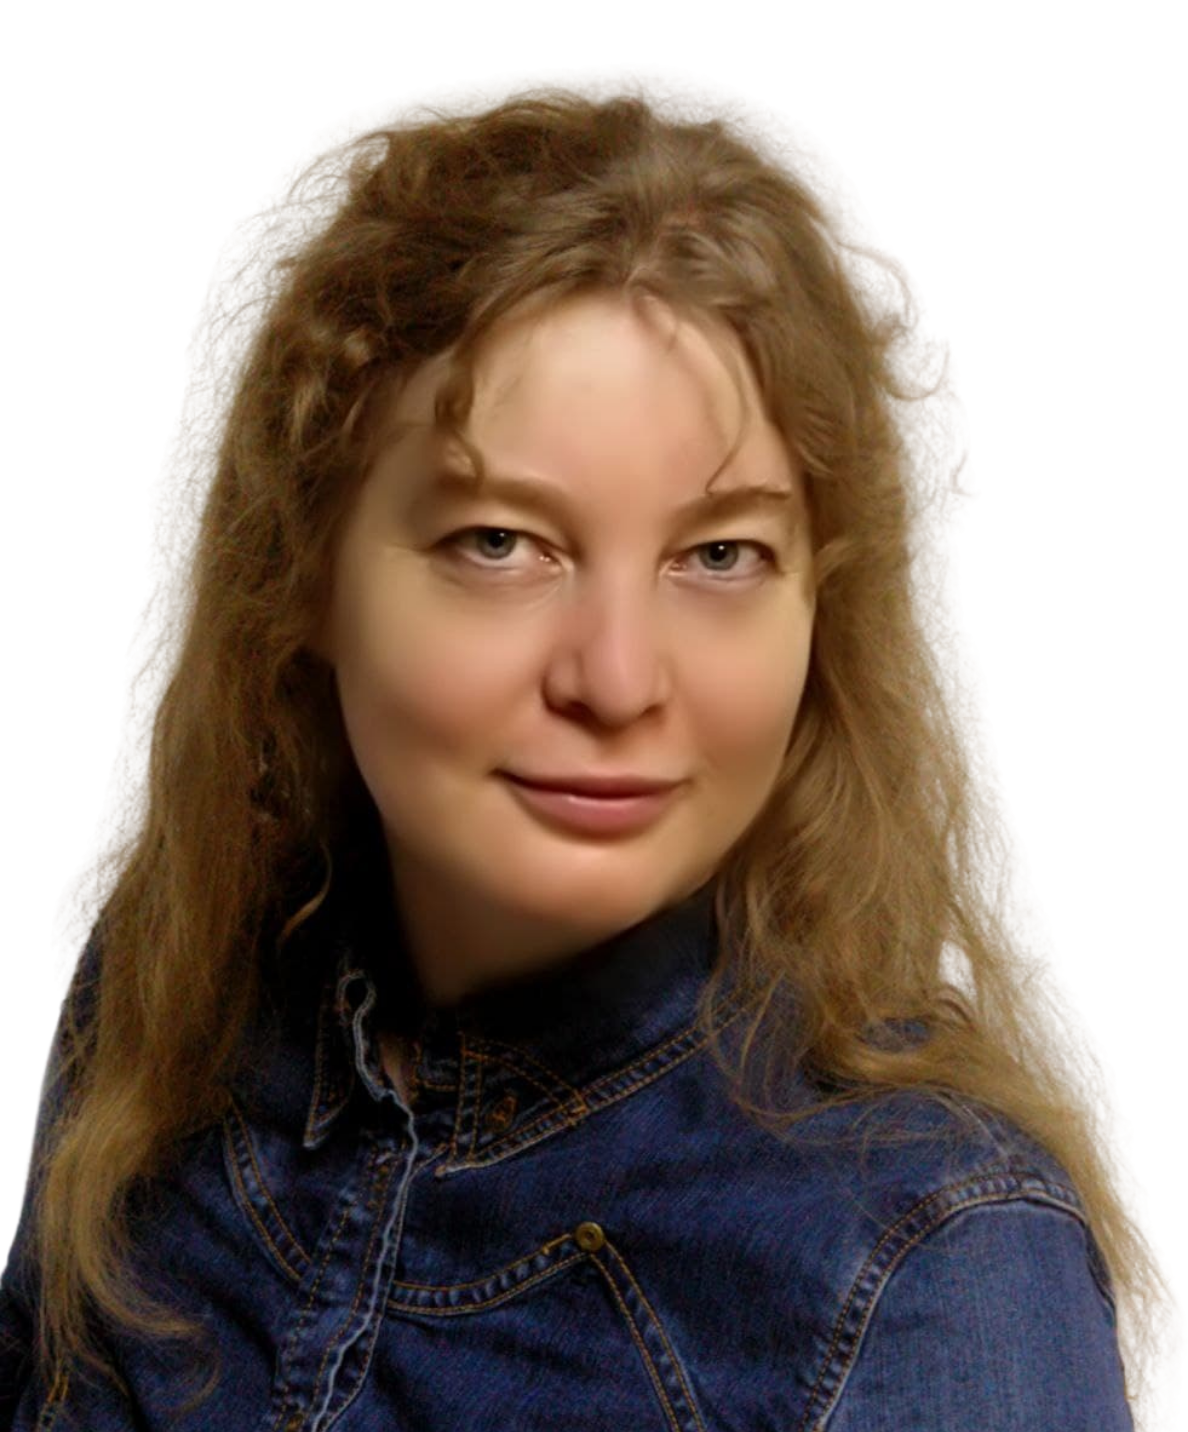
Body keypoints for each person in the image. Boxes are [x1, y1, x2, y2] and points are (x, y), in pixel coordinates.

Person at [0, 89, 1159, 1430]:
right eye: (500, 543)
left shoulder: (940, 1263)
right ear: (303, 573)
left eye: (719, 555)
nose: (615, 679)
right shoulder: (180, 984)